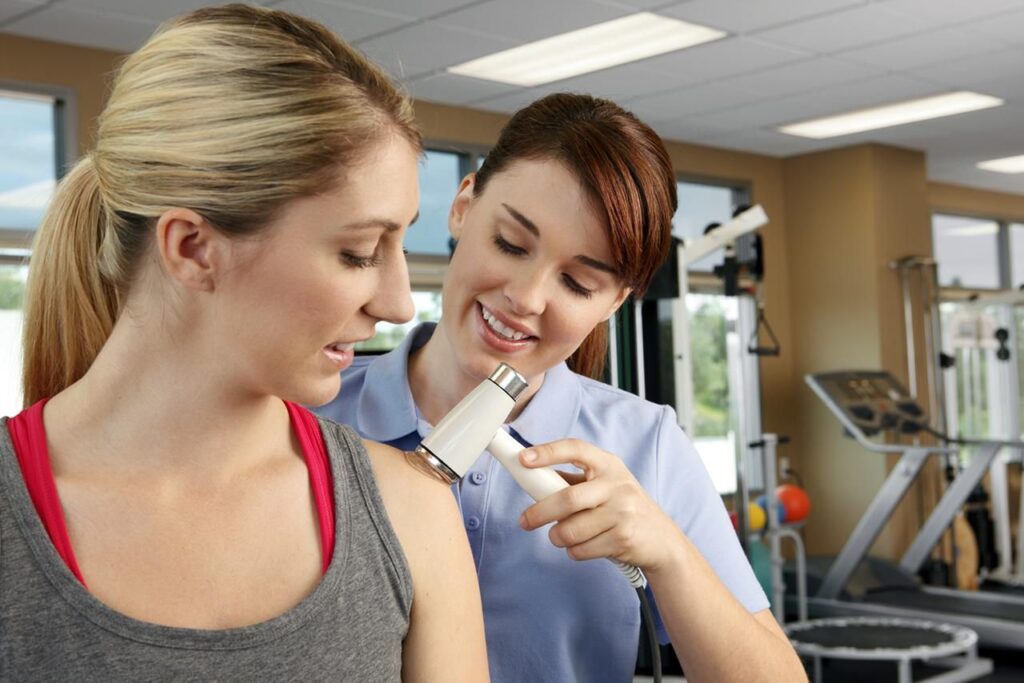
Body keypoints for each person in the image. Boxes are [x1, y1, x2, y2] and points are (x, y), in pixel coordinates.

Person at [0, 5, 488, 680]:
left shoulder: (411, 513)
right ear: (194, 248)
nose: (399, 302)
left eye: (401, 243)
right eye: (358, 251)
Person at [318, 93, 806, 682]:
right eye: (510, 244)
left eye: (576, 283)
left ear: (614, 303)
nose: (526, 298)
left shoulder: (644, 444)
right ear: (464, 206)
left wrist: (668, 555)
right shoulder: (313, 412)